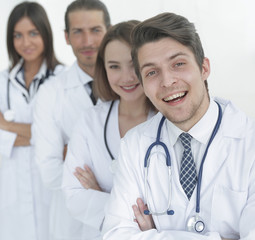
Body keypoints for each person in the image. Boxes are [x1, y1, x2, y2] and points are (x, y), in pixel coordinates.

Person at [102, 12, 255, 240]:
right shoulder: (134, 146)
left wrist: (156, 235)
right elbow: (115, 234)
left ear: (204, 68)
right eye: (151, 72)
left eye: (178, 64)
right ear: (143, 85)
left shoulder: (249, 141)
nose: (167, 81)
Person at [62, 20, 156, 239]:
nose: (127, 76)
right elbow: (73, 196)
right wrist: (137, 213)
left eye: (134, 63)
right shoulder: (89, 122)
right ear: (103, 69)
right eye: (114, 66)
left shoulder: (168, 121)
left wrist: (100, 195)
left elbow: (176, 205)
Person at [32, 0, 111, 239]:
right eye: (78, 32)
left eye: (95, 30)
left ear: (109, 31)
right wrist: (112, 182)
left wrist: (76, 157)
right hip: (73, 226)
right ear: (66, 37)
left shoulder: (131, 84)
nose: (87, 41)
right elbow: (50, 171)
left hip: (128, 224)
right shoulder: (50, 93)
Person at [0, 2, 63, 240]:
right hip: (11, 194)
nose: (25, 43)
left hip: (51, 189)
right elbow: (49, 136)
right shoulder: (2, 81)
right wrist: (43, 136)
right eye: (18, 35)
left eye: (33, 33)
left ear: (45, 33)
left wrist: (5, 126)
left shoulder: (63, 79)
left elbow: (64, 137)